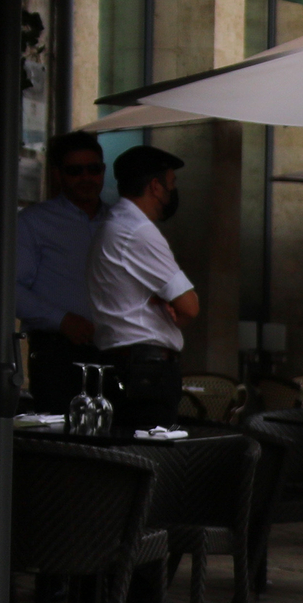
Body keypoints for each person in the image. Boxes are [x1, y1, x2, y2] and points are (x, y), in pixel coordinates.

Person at [90, 144, 199, 437]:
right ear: (156, 187)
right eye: (171, 184)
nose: (172, 192)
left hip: (128, 365)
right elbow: (190, 305)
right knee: (150, 460)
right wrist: (173, 304)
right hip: (143, 372)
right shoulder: (136, 230)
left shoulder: (113, 224)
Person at [15, 130, 106, 410]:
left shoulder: (119, 222)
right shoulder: (33, 223)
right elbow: (11, 290)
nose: (86, 177)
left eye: (94, 169)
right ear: (58, 175)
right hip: (58, 353)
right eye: (75, 171)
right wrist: (62, 320)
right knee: (61, 440)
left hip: (114, 353)